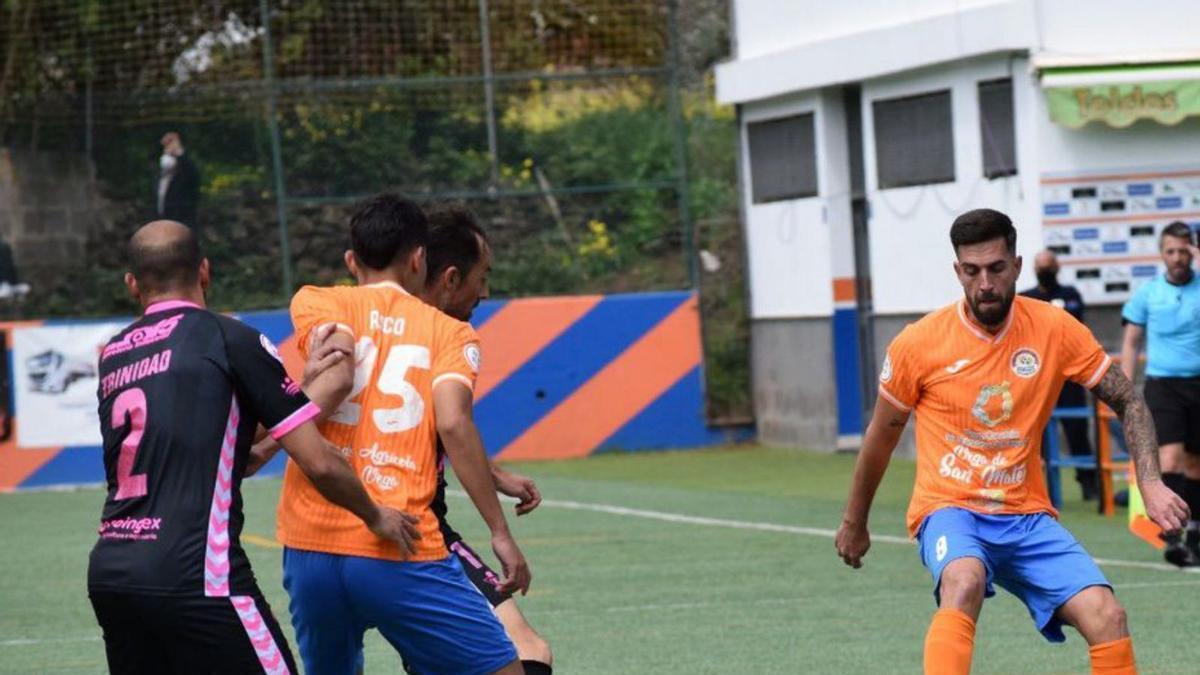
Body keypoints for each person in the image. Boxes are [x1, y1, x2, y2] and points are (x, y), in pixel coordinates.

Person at [835, 209, 1187, 675]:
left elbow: (1129, 400)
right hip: (950, 508)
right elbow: (880, 438)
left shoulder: (1055, 328)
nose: (985, 283)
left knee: (1108, 615)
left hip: (1026, 517)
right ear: (957, 271)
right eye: (972, 270)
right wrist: (854, 521)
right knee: (964, 580)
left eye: (996, 269)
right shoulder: (917, 345)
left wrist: (1150, 482)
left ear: (1017, 267)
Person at [87, 220, 419, 675]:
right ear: (205, 271)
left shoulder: (113, 355)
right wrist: (376, 514)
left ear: (131, 284)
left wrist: (291, 392)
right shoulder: (230, 338)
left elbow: (214, 443)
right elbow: (319, 462)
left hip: (113, 573)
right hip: (197, 572)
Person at [273, 194, 530, 675]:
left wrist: (267, 443)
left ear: (352, 260)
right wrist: (500, 532)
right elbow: (452, 421)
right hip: (399, 544)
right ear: (419, 259)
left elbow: (334, 371)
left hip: (309, 547)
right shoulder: (449, 333)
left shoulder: (317, 300)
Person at [1120, 220, 1200, 567]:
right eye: (1171, 251)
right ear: (1162, 254)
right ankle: (1173, 531)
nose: (1178, 257)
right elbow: (1131, 341)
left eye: (1184, 250)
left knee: (1196, 464)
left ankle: (1194, 534)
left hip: (1198, 382)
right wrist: (1121, 389)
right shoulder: (1148, 293)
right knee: (1169, 460)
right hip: (1162, 385)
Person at [1020, 249, 1097, 500]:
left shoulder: (1070, 295)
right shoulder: (1025, 299)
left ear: (1057, 268)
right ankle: (1035, 489)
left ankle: (1088, 482)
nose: (1045, 271)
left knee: (1077, 431)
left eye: (1049, 266)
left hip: (1067, 378)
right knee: (1035, 434)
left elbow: (1074, 328)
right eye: (1041, 266)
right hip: (1035, 380)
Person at [156, 132, 200, 228]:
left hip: (181, 224)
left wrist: (178, 152)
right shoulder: (158, 177)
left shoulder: (183, 175)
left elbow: (192, 174)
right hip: (161, 224)